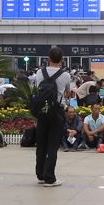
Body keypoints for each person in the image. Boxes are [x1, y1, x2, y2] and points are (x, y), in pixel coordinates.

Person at [29, 46, 71, 186]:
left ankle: (40, 174)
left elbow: (37, 90)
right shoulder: (65, 75)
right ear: (62, 60)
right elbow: (67, 93)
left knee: (41, 144)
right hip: (57, 112)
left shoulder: (39, 73)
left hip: (42, 111)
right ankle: (50, 178)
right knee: (53, 145)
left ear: (48, 59)